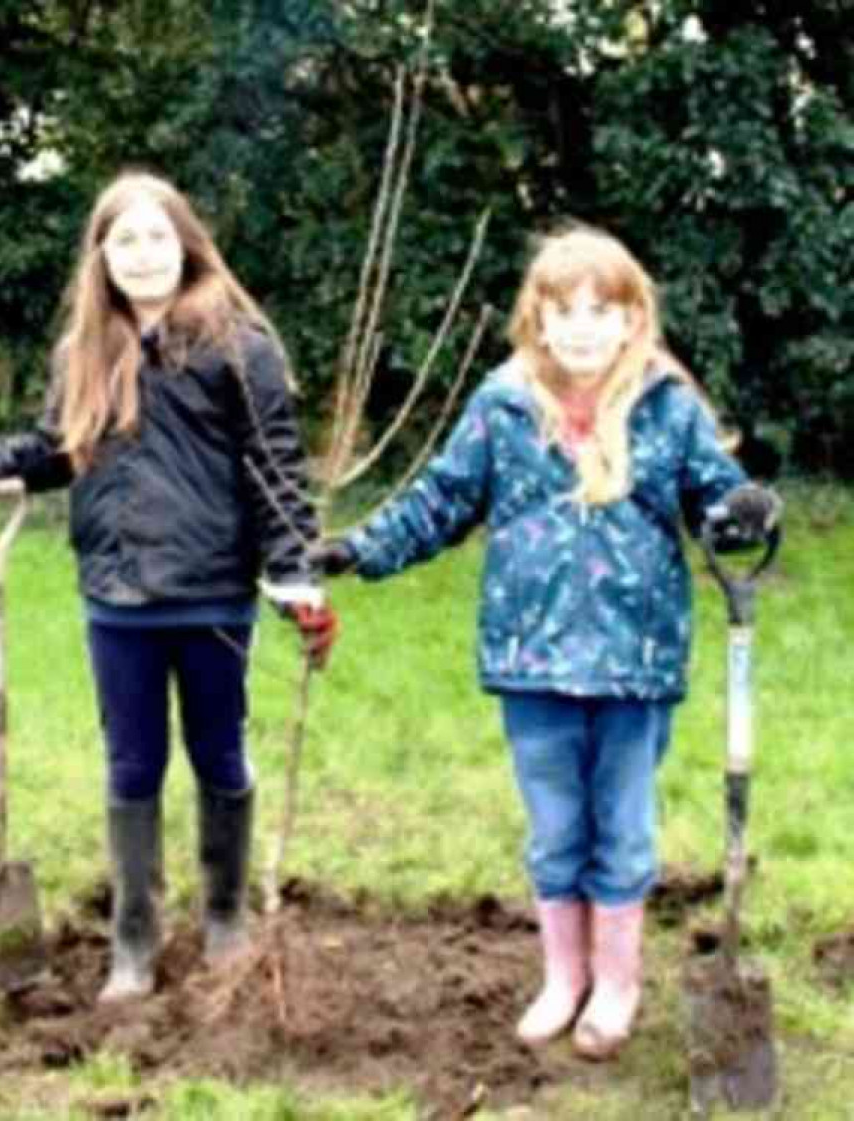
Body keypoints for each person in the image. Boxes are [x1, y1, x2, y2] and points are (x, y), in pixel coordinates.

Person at [314, 226, 780, 1059]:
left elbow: (716, 498)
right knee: (557, 827)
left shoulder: (666, 406)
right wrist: (362, 548)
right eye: (564, 311)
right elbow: (441, 500)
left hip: (636, 663)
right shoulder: (502, 404)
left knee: (624, 829)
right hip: (532, 659)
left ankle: (619, 982)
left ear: (634, 318)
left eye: (602, 310)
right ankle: (563, 978)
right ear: (537, 318)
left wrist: (744, 509)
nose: (582, 328)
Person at [0, 170, 338, 1003]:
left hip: (214, 591)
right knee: (132, 763)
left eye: (159, 237)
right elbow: (58, 447)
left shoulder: (239, 344)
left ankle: (225, 914)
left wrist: (297, 571)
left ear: (187, 244)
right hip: (117, 595)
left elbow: (277, 469)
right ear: (103, 256)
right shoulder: (83, 350)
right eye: (126, 241)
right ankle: (135, 937)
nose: (145, 255)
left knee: (219, 751)